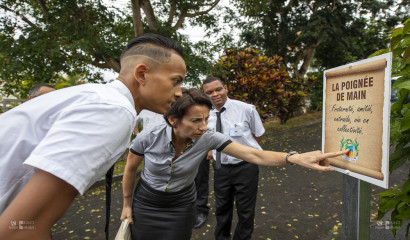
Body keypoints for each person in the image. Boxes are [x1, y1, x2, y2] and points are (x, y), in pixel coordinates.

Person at [0, 33, 186, 239]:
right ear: (142, 74)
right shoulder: (113, 110)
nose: (179, 93)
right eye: (175, 81)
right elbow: (21, 229)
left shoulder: (98, 97)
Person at [120, 88, 348, 240]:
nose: (204, 126)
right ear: (173, 120)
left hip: (181, 203)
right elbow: (130, 170)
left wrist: (294, 157)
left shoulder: (208, 137)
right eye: (196, 120)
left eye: (207, 119)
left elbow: (254, 155)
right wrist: (127, 204)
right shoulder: (148, 137)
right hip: (148, 201)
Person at [199, 76, 266, 239]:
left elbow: (257, 135)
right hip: (221, 168)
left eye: (218, 89)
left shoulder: (246, 109)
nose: (215, 94)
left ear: (226, 88)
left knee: (246, 211)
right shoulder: (204, 115)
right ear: (205, 94)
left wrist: (248, 153)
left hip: (245, 168)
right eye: (209, 92)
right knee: (222, 209)